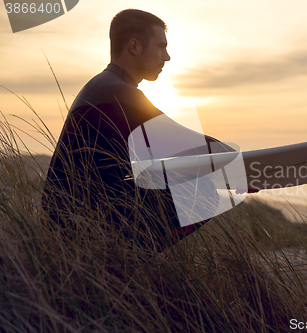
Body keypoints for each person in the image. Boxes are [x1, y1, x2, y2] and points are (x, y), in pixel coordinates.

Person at [42, 9, 223, 251]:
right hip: (79, 223)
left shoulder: (105, 86)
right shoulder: (117, 92)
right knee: (204, 194)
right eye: (161, 46)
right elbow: (190, 144)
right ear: (134, 46)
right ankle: (126, 263)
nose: (167, 57)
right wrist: (244, 163)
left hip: (71, 217)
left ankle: (125, 262)